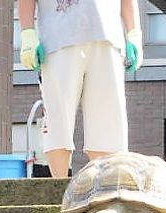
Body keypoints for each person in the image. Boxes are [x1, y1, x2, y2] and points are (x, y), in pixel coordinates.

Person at [18, 0, 142, 178]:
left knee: (108, 126)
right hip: (58, 39)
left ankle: (105, 190)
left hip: (108, 37)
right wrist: (27, 32)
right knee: (58, 121)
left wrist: (134, 33)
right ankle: (59, 189)